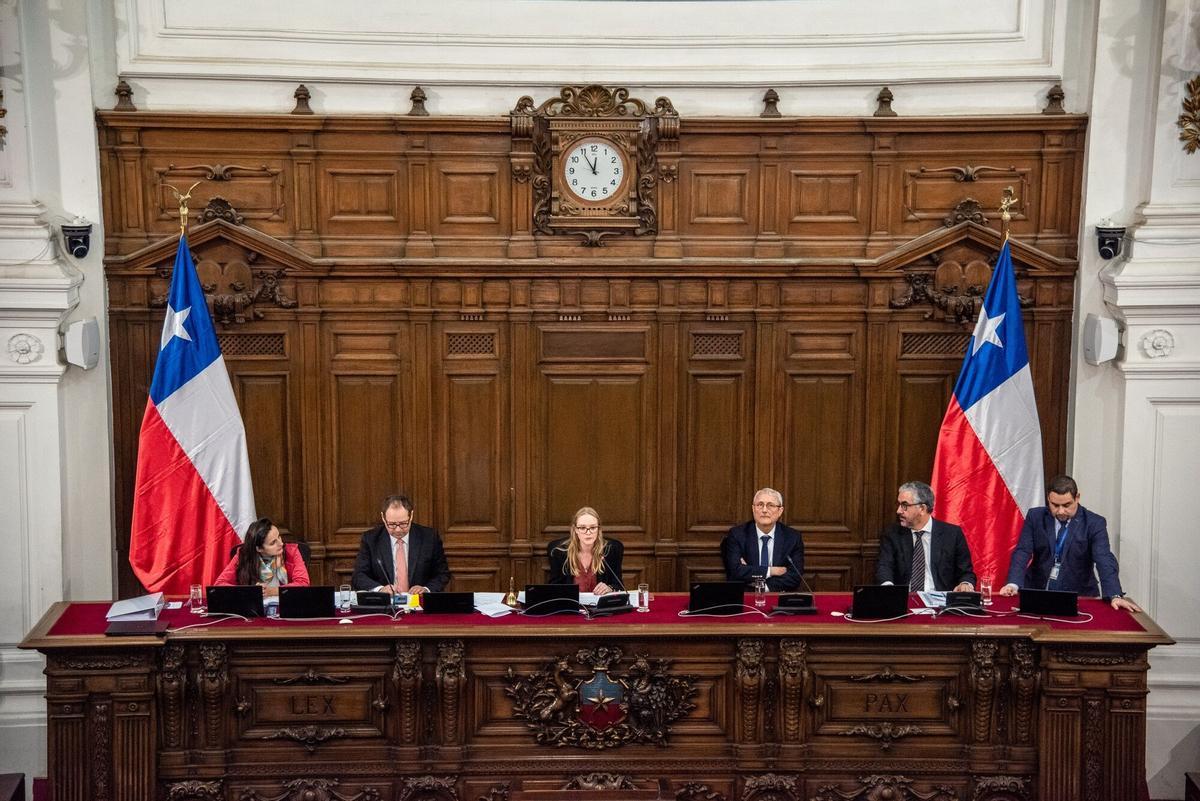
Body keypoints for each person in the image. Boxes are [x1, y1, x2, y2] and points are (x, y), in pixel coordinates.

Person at [999, 475, 1141, 612]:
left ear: (1077, 498)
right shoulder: (1035, 517)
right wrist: (1013, 583)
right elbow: (1023, 551)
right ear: (1048, 498)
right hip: (1038, 591)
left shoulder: (1094, 523)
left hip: (1079, 595)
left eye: (1066, 505)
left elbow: (1103, 558)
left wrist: (1114, 595)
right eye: (1055, 505)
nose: (1060, 511)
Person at [876, 481, 975, 592]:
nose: (898, 511)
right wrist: (888, 588)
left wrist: (965, 583)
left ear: (922, 509)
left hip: (941, 601)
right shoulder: (892, 534)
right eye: (899, 505)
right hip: (905, 599)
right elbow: (884, 566)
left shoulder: (952, 534)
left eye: (904, 505)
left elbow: (966, 572)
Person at [351, 494, 451, 594]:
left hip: (419, 603)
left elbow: (442, 573)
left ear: (411, 516)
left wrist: (426, 589)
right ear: (383, 518)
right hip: (386, 604)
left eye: (403, 523)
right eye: (392, 524)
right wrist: (380, 589)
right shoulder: (371, 539)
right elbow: (359, 576)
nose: (398, 530)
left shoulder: (429, 537)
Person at [721, 488, 804, 591]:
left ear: (780, 511)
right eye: (760, 505)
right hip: (746, 599)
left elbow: (794, 577)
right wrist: (771, 571)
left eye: (770, 505)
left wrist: (762, 586)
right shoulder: (737, 535)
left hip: (777, 598)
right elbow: (736, 572)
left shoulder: (792, 537)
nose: (764, 510)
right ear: (753, 509)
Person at [214, 517, 310, 596]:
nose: (281, 543)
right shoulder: (243, 555)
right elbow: (220, 584)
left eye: (279, 537)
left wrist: (273, 591)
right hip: (252, 609)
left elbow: (303, 583)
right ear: (259, 549)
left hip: (285, 606)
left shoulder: (292, 552)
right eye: (273, 543)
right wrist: (250, 591)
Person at [547, 506, 624, 595]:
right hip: (573, 606)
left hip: (600, 606)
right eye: (583, 528)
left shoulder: (611, 550)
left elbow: (619, 586)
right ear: (575, 529)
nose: (588, 532)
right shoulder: (560, 553)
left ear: (598, 529)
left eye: (593, 527)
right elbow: (554, 587)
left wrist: (609, 588)